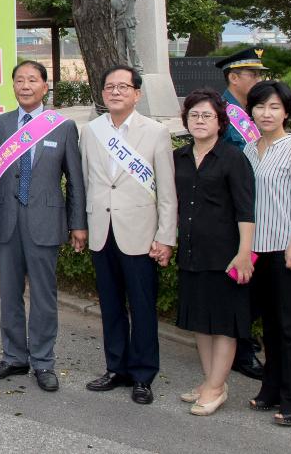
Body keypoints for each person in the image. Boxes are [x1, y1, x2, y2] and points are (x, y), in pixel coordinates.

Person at [0, 61, 85, 391]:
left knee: (43, 295)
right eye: (19, 80)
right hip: (7, 220)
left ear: (44, 86)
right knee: (9, 292)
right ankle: (14, 357)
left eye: (32, 80)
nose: (25, 85)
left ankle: (43, 361)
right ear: (13, 86)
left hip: (46, 221)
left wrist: (78, 224)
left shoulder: (62, 127)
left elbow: (75, 180)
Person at [81, 66, 177, 406]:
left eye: (123, 87)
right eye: (110, 87)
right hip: (101, 232)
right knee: (110, 305)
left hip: (140, 234)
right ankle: (116, 368)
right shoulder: (91, 131)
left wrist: (166, 236)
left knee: (142, 306)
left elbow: (167, 191)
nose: (116, 92)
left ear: (137, 93)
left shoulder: (156, 133)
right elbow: (87, 183)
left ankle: (143, 375)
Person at [174, 88, 255, 416]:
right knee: (200, 321)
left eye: (207, 115)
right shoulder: (178, 156)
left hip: (226, 254)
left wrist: (245, 252)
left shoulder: (233, 157)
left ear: (221, 121)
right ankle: (212, 381)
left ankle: (216, 387)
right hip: (191, 251)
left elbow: (246, 209)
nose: (200, 120)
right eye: (194, 115)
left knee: (223, 323)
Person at [245, 80, 291, 428]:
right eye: (260, 106)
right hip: (257, 251)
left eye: (274, 107)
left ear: (286, 111)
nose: (266, 113)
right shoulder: (249, 149)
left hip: (288, 251)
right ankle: (271, 389)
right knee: (270, 326)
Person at [215, 46, 270, 379]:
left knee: (254, 280)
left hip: (257, 206)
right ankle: (241, 349)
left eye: (260, 74)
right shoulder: (222, 111)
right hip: (234, 209)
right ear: (234, 77)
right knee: (240, 281)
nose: (259, 79)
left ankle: (243, 337)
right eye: (253, 74)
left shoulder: (253, 110)